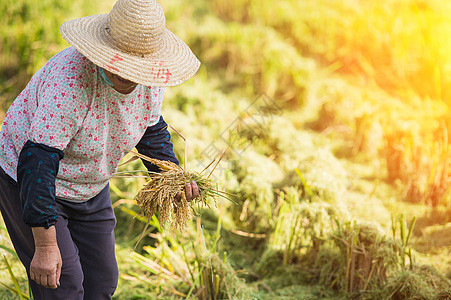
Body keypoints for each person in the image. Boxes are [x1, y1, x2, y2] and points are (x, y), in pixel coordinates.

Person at [0, 0, 201, 298]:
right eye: (122, 62)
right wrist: (44, 245)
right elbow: (38, 160)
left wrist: (171, 176)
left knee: (101, 281)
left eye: (139, 67)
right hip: (33, 181)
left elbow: (150, 128)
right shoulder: (70, 81)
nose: (131, 74)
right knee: (62, 283)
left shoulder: (150, 78)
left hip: (90, 185)